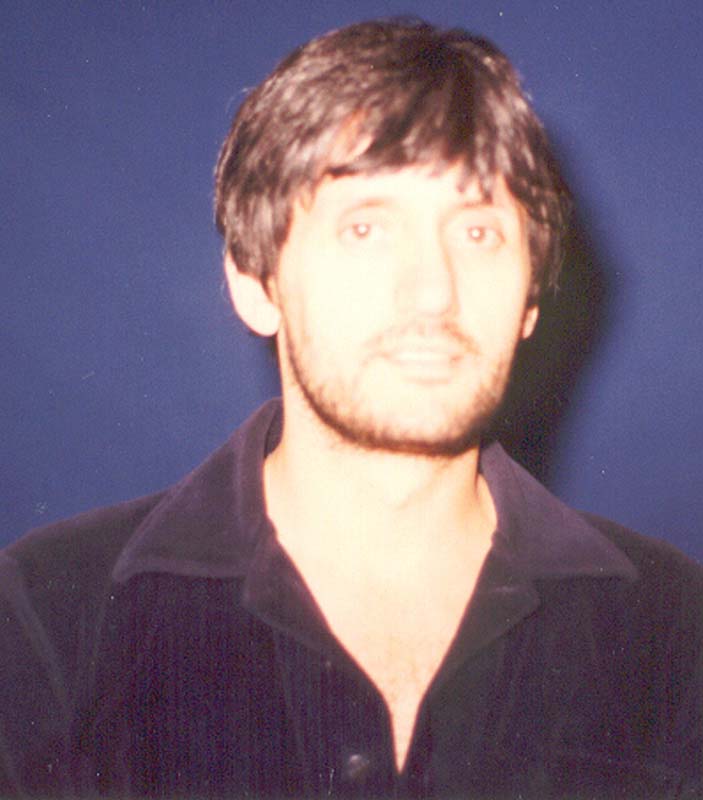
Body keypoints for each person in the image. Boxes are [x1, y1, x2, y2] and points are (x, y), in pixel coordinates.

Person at [1, 18, 701, 800]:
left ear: (531, 299)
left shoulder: (674, 632)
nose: (432, 290)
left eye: (478, 232)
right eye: (366, 228)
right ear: (255, 284)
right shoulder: (49, 621)